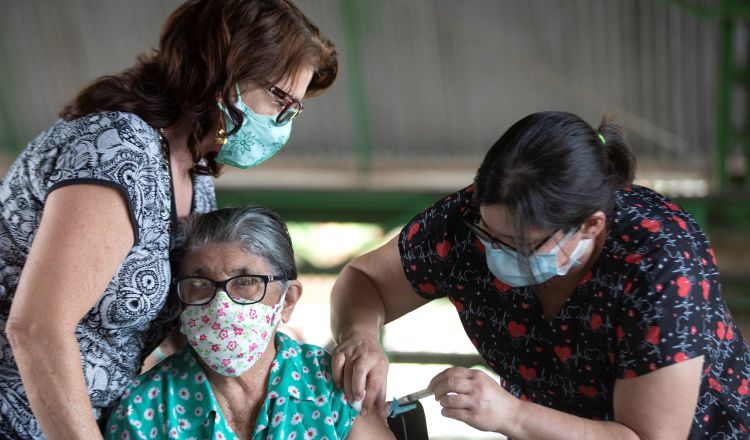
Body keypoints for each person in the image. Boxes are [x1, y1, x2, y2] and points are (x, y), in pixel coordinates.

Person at [1, 1, 338, 438]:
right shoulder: (118, 151)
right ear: (223, 72)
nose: (281, 123)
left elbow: (189, 321)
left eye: (294, 110)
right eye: (278, 98)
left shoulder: (193, 176)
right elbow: (37, 329)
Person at [331, 111, 750, 439]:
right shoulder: (466, 222)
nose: (496, 250)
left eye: (523, 243)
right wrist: (361, 337)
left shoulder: (661, 264)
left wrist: (513, 414)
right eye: (488, 232)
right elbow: (365, 280)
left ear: (591, 226)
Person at [105, 206, 394, 439]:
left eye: (245, 282)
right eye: (199, 283)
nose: (221, 305)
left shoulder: (331, 386)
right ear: (181, 301)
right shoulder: (144, 409)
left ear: (288, 300)